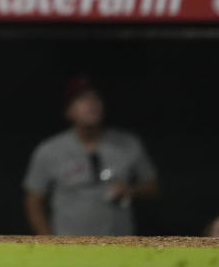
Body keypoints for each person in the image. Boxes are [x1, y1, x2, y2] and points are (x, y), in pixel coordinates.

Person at [23, 77, 159, 236]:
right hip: (70, 249)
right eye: (81, 99)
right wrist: (48, 242)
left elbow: (153, 187)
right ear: (68, 111)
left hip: (120, 248)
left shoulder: (128, 143)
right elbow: (33, 201)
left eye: (95, 97)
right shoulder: (49, 150)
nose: (91, 103)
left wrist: (131, 190)